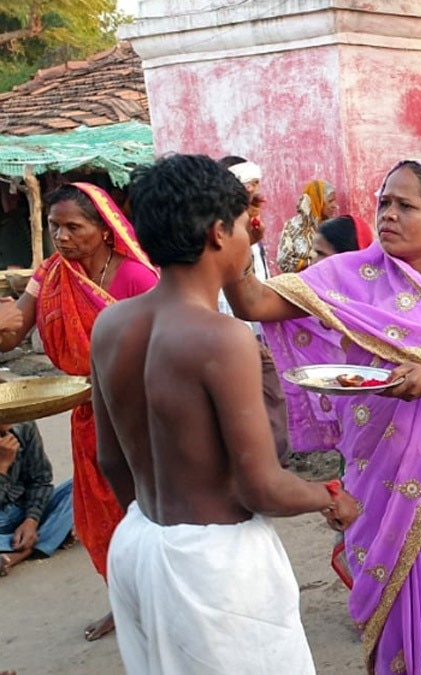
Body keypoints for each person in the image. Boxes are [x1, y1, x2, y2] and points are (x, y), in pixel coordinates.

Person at [224, 157, 421, 674]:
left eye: (407, 205)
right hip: (372, 468)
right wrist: (241, 236)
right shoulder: (350, 275)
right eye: (384, 202)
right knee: (388, 607)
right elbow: (251, 302)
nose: (389, 215)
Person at [90, 154, 358, 674]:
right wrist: (330, 497)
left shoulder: (111, 325)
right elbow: (261, 487)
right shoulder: (221, 337)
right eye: (242, 225)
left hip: (139, 541)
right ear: (218, 232)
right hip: (214, 565)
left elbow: (111, 459)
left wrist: (159, 526)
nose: (247, 237)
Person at [0, 182, 158, 641]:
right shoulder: (51, 274)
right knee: (102, 517)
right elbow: (13, 332)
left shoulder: (137, 277)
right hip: (89, 417)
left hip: (141, 416)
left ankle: (161, 599)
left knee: (149, 510)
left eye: (74, 227)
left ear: (105, 230)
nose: (62, 237)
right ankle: (125, 604)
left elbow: (162, 346)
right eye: (55, 227)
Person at [216, 156, 292, 466]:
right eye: (249, 185)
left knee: (268, 391)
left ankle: (272, 454)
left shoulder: (250, 228)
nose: (256, 192)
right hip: (234, 322)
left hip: (253, 319)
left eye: (257, 184)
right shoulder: (232, 232)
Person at [0, 422, 73, 576]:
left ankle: (22, 551)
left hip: (24, 508)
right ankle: (50, 536)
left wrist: (31, 520)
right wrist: (2, 466)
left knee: (82, 488)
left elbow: (41, 480)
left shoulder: (24, 425)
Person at [278, 179, 338, 273]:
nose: (335, 206)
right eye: (330, 201)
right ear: (317, 202)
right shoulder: (293, 226)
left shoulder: (334, 226)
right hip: (302, 284)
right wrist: (311, 262)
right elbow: (284, 262)